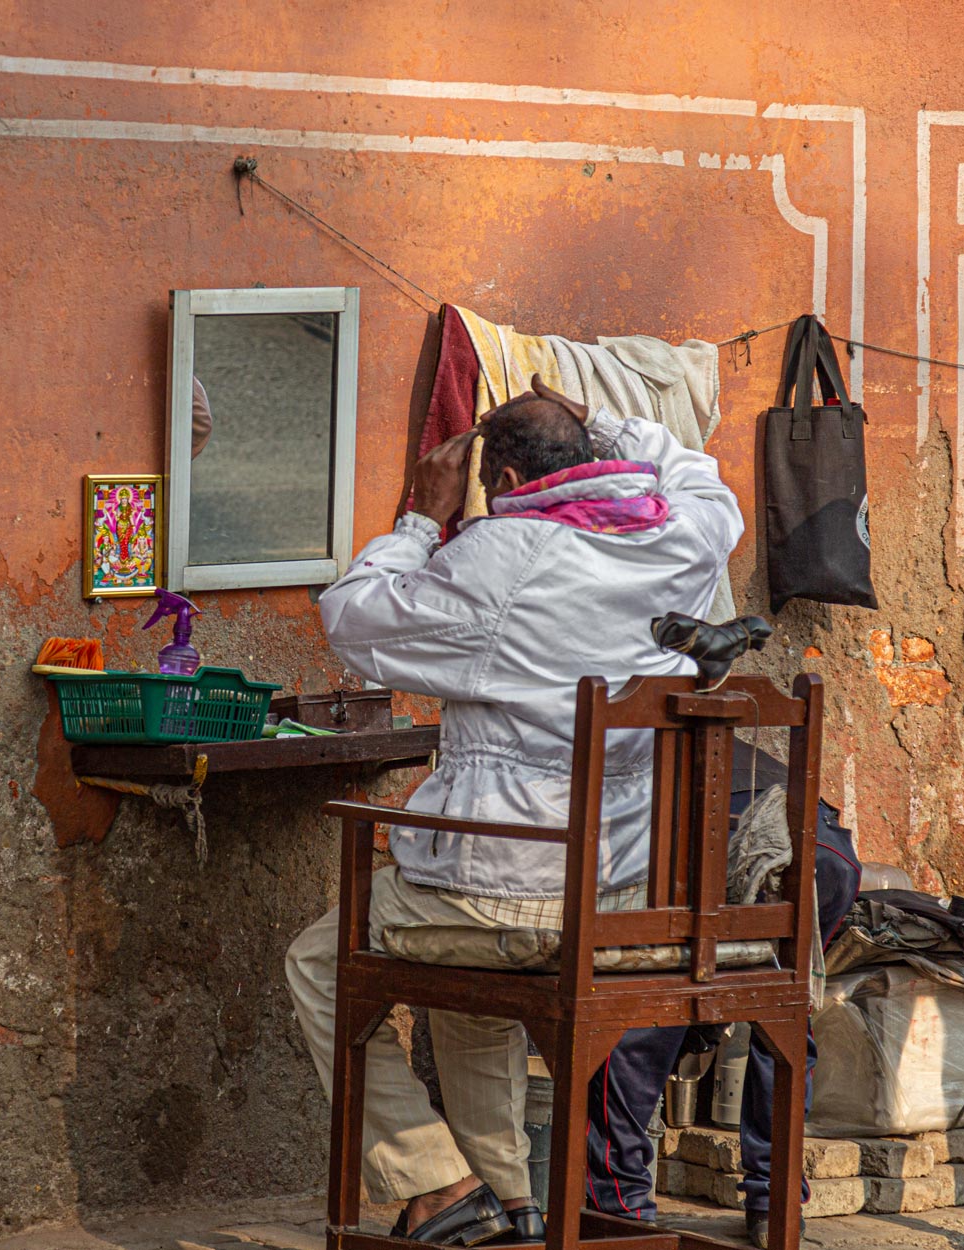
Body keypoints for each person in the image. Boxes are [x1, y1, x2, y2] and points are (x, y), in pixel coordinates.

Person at [284, 379, 742, 1244]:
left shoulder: (505, 554)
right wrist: (597, 418)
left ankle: (437, 1186)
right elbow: (699, 475)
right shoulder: (686, 532)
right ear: (595, 458)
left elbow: (350, 621)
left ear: (498, 476)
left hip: (517, 896)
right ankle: (512, 1205)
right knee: (470, 980)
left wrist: (423, 518)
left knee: (317, 963)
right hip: (625, 897)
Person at [581, 740, 860, 1248]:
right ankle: (775, 1208)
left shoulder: (615, 729)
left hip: (725, 847)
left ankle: (619, 1213)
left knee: (640, 1026)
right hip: (824, 853)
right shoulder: (712, 720)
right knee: (784, 1023)